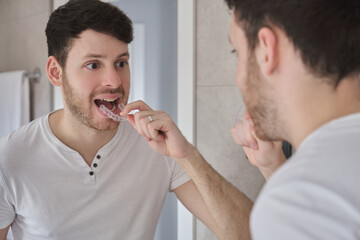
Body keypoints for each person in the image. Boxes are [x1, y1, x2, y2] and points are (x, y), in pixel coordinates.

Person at [120, 0, 360, 239]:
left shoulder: (297, 200)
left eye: (237, 52)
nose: (239, 77)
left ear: (267, 49)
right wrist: (274, 168)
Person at [0, 1, 222, 239]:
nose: (114, 81)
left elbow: (241, 233)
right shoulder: (9, 158)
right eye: (93, 65)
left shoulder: (157, 147)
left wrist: (186, 155)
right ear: (56, 72)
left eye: (121, 63)